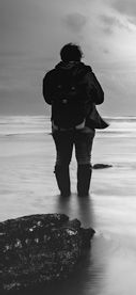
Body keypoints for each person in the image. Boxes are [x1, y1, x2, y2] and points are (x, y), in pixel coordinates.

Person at [42, 43, 105, 196]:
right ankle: (83, 198)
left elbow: (48, 99)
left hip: (59, 124)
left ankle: (64, 196)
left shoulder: (51, 75)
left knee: (62, 159)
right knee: (84, 159)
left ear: (61, 57)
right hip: (84, 123)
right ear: (79, 57)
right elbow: (100, 98)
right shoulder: (86, 74)